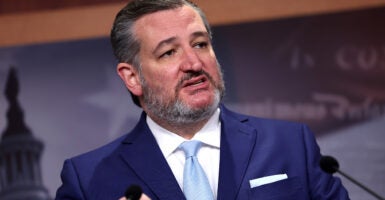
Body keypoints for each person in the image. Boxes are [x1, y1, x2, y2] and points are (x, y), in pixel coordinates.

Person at [55, 0, 350, 199]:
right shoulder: (88, 178)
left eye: (200, 44)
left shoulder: (290, 144)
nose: (194, 63)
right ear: (132, 77)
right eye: (169, 52)